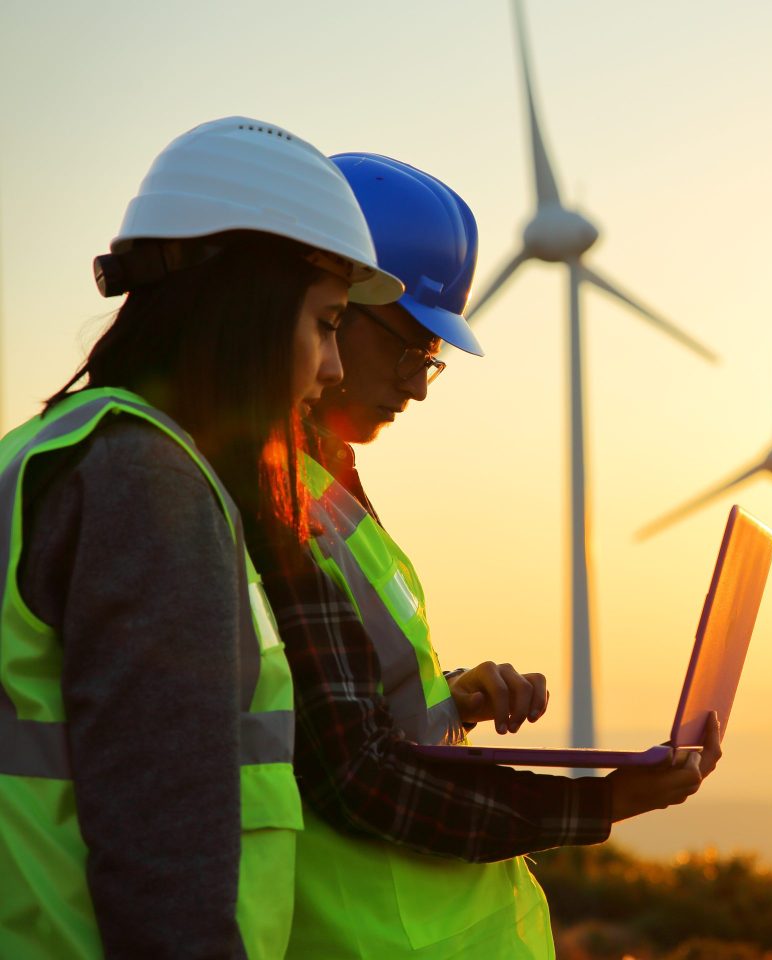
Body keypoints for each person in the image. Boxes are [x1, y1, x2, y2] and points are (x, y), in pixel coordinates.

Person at [266, 152, 720, 960]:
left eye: (433, 360)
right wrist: (602, 804)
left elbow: (334, 704)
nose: (420, 385)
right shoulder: (267, 500)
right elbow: (350, 774)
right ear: (329, 304)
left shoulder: (329, 486)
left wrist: (449, 701)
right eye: (411, 346)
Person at [0, 117, 402, 960]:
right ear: (247, 306)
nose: (332, 368)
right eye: (328, 322)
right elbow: (162, 849)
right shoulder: (147, 487)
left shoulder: (56, 452)